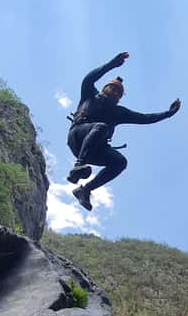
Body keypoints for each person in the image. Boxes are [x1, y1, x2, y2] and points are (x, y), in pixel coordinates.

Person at [67, 52, 181, 211]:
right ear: (104, 88)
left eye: (118, 92)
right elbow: (89, 78)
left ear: (120, 98)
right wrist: (111, 64)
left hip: (95, 149)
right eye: (111, 88)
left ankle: (85, 190)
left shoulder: (118, 112)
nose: (114, 92)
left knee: (120, 162)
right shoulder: (89, 94)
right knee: (101, 127)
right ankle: (78, 166)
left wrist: (169, 113)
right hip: (77, 136)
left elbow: (145, 118)